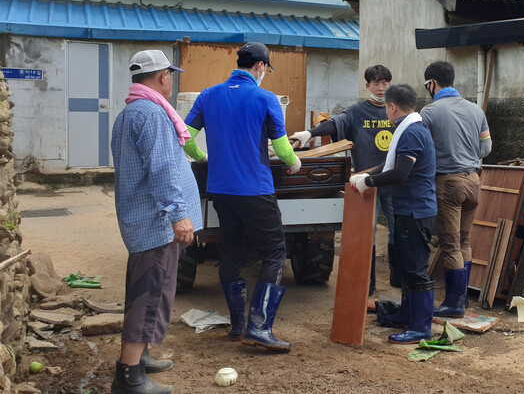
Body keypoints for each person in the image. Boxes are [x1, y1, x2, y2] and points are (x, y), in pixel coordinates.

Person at [183, 41, 300, 352]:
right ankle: (259, 327)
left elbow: (186, 137)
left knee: (231, 252)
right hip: (256, 189)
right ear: (260, 67)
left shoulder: (208, 95)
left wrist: (202, 157)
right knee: (274, 253)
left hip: (220, 189)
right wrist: (294, 162)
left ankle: (237, 325)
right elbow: (284, 148)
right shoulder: (266, 98)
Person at [110, 50, 203, 394]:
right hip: (156, 222)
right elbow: (162, 169)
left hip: (144, 219)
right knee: (149, 295)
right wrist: (179, 214)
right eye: (171, 74)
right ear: (163, 77)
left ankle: (141, 357)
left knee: (145, 291)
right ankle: (130, 377)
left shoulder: (132, 111)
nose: (172, 79)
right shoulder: (152, 114)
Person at [290, 65, 398, 293]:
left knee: (398, 234)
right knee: (367, 235)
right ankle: (366, 287)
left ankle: (399, 281)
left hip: (396, 182)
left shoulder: (397, 110)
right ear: (367, 85)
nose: (381, 88)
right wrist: (310, 133)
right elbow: (335, 124)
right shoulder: (357, 112)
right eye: (376, 83)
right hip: (367, 182)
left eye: (385, 83)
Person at [349, 84, 437, 344]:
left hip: (415, 211)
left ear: (393, 107)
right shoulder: (410, 128)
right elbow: (390, 164)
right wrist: (367, 174)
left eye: (386, 107)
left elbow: (400, 173)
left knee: (416, 269)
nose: (386, 111)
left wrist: (370, 183)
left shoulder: (411, 133)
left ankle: (421, 327)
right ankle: (407, 314)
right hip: (408, 209)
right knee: (408, 268)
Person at [420, 61, 491, 318]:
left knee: (450, 244)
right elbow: (487, 148)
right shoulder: (476, 110)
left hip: (448, 184)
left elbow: (422, 151)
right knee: (464, 240)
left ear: (432, 84)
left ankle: (454, 304)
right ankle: (461, 300)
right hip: (474, 181)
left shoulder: (429, 112)